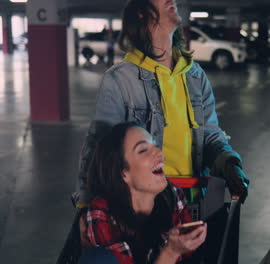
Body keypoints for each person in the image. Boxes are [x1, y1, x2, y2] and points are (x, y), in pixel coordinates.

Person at [73, 0, 249, 208]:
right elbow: (99, 147)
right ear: (140, 14)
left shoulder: (194, 75)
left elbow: (209, 134)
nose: (171, 0)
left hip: (193, 200)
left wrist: (227, 161)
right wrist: (86, 204)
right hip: (146, 205)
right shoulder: (121, 80)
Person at [80, 121, 207, 264]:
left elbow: (189, 257)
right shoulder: (101, 213)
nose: (159, 153)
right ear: (123, 173)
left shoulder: (172, 194)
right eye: (143, 150)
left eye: (155, 146)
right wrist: (171, 252)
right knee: (98, 259)